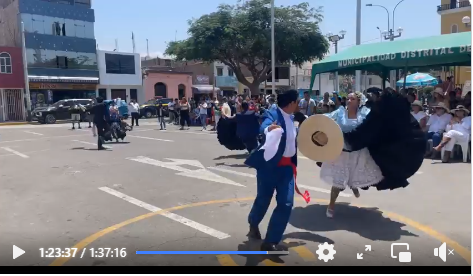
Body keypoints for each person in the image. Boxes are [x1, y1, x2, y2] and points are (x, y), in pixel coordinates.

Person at [245, 89, 309, 252]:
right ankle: (253, 222)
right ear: (292, 103)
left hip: (287, 168)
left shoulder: (293, 117)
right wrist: (268, 130)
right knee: (263, 199)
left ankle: (271, 240)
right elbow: (265, 127)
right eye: (297, 102)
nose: (298, 105)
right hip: (269, 167)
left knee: (286, 203)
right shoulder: (272, 113)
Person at [342, 90, 426, 192]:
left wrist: (339, 139)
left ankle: (362, 179)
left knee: (361, 150)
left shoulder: (380, 114)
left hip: (400, 155)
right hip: (413, 152)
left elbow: (359, 136)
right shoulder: (400, 112)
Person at [320, 92, 382, 218]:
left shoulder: (365, 113)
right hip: (341, 151)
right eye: (348, 98)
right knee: (338, 180)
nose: (349, 100)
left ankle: (353, 186)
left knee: (355, 174)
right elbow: (327, 119)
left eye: (352, 98)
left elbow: (375, 122)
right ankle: (331, 205)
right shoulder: (340, 112)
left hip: (358, 152)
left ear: (358, 101)